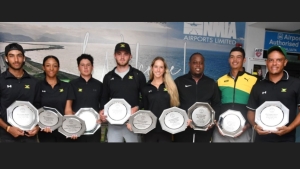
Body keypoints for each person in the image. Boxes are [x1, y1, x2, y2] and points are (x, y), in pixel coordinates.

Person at [247, 45, 300, 142]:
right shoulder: (258, 85)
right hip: (261, 140)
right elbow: (251, 111)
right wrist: (255, 126)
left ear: (285, 62)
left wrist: (290, 128)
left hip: (286, 140)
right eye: (271, 60)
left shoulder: (296, 84)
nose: (274, 63)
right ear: (266, 62)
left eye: (279, 60)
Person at [99, 42, 146, 143]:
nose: (122, 57)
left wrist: (137, 107)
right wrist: (102, 111)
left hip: (132, 123)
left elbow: (146, 98)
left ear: (130, 56)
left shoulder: (138, 75)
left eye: (125, 54)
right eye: (119, 54)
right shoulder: (108, 77)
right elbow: (104, 98)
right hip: (113, 125)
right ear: (115, 55)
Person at [212, 46, 258, 143]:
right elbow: (215, 104)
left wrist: (248, 125)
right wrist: (217, 123)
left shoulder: (254, 80)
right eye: (232, 57)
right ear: (229, 59)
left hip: (244, 130)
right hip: (221, 129)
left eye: (238, 57)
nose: (235, 60)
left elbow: (257, 106)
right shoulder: (220, 80)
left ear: (244, 60)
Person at [174, 52, 221, 143]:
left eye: (201, 63)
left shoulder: (211, 83)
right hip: (183, 129)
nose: (198, 65)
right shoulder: (179, 81)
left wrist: (213, 121)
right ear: (189, 64)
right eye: (195, 62)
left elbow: (217, 104)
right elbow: (173, 104)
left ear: (204, 65)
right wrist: (180, 119)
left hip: (204, 130)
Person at [0, 43, 39, 142]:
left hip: (30, 136)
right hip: (6, 136)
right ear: (6, 58)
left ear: (24, 58)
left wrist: (37, 126)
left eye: (19, 56)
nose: (16, 60)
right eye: (11, 56)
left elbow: (39, 107)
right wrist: (8, 128)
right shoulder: (1, 80)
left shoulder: (34, 82)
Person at [138, 56, 180, 142]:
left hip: (166, 130)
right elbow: (145, 109)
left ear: (164, 69)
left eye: (161, 67)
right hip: (149, 130)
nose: (158, 70)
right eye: (156, 66)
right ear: (152, 68)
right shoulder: (146, 87)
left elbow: (175, 107)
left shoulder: (171, 87)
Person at [35, 55, 76, 142]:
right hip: (45, 131)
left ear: (58, 68)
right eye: (48, 65)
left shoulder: (67, 86)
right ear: (43, 68)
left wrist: (71, 129)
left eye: (55, 65)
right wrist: (41, 125)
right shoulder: (38, 86)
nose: (51, 68)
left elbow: (68, 110)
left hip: (63, 131)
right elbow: (36, 109)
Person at [70, 53, 103, 142]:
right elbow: (68, 107)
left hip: (94, 127)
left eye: (88, 65)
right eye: (82, 65)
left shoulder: (99, 85)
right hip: (76, 128)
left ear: (92, 67)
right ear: (78, 67)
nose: (85, 67)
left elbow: (103, 106)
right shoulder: (72, 84)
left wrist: (101, 116)